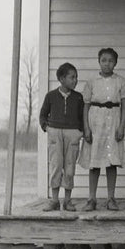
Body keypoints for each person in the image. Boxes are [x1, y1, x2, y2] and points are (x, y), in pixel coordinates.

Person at [78, 47, 125, 211]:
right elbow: (86, 106)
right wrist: (86, 128)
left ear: (115, 63)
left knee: (111, 162)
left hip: (113, 121)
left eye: (110, 61)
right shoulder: (92, 82)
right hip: (96, 123)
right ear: (99, 62)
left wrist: (122, 126)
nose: (107, 64)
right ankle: (91, 198)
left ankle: (110, 198)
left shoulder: (121, 82)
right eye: (104, 60)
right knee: (94, 163)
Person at [39, 62, 84, 212]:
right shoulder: (51, 96)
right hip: (55, 133)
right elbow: (43, 114)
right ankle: (54, 200)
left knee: (69, 167)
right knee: (56, 165)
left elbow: (82, 117)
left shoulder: (78, 98)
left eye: (76, 77)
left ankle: (68, 200)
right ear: (62, 79)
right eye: (72, 77)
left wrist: (80, 132)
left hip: (72, 134)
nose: (75, 80)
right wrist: (47, 128)